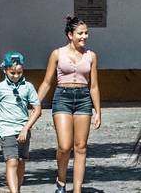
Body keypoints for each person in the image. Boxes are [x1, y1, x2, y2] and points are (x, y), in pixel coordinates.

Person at [36, 15, 101, 193]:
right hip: (62, 98)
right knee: (65, 146)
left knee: (81, 147)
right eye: (80, 33)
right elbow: (47, 82)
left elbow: (94, 86)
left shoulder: (91, 56)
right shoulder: (57, 54)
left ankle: (77, 189)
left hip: (83, 99)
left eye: (86, 33)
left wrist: (98, 111)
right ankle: (61, 180)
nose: (84, 36)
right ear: (70, 35)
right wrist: (36, 103)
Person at [0, 51, 42, 193]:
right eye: (12, 73)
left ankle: (17, 189)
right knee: (12, 161)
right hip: (6, 129)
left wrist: (25, 128)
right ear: (5, 70)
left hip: (23, 128)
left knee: (21, 162)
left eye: (19, 73)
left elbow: (37, 110)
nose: (16, 76)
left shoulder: (28, 87)